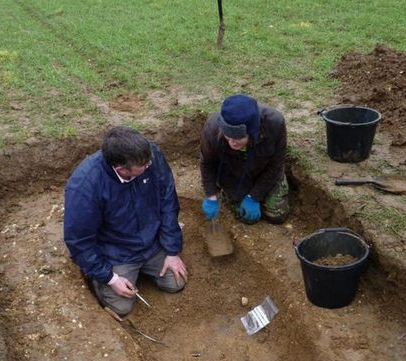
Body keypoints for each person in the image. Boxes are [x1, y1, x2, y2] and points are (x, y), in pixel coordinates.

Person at [64, 126, 188, 317]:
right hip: (116, 252)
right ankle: (96, 280)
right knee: (122, 307)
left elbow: (168, 200)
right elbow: (79, 240)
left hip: (152, 244)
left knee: (176, 283)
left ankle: (146, 266)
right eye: (144, 168)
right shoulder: (86, 186)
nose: (149, 167)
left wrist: (172, 250)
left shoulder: (149, 155)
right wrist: (110, 278)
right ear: (121, 169)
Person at [200, 94, 289, 224]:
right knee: (246, 217)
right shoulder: (212, 128)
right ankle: (228, 194)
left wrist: (254, 197)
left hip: (263, 171)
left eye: (238, 138)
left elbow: (276, 165)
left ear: (252, 131)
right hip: (233, 172)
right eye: (227, 136)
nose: (232, 142)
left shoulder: (274, 125)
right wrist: (211, 196)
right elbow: (207, 163)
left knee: (277, 215)